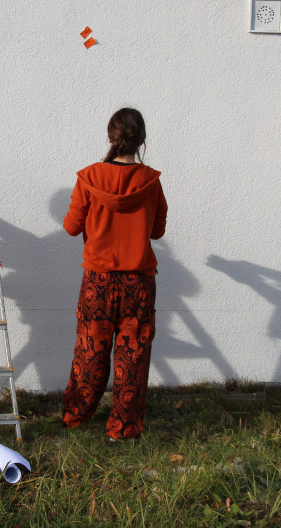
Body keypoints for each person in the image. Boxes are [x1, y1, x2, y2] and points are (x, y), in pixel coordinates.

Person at [61, 107, 167, 440]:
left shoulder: (89, 178)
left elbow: (70, 227)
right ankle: (123, 425)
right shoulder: (151, 181)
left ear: (111, 138)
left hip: (98, 280)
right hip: (139, 281)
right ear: (141, 141)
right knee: (132, 353)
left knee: (90, 349)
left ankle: (76, 413)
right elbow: (158, 230)